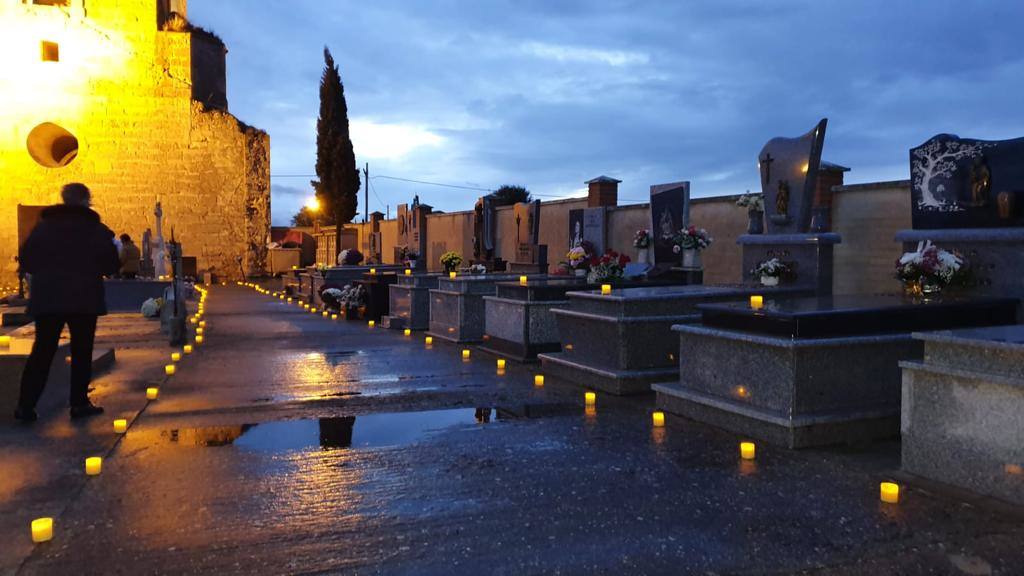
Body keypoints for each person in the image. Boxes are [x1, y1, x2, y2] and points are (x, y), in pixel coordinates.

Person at [14, 183, 120, 422]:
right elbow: (111, 266)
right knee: (82, 351)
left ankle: (25, 406)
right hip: (83, 299)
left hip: (48, 298)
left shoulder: (43, 228)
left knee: (42, 352)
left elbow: (27, 260)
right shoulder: (95, 229)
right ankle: (79, 403)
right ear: (85, 201)